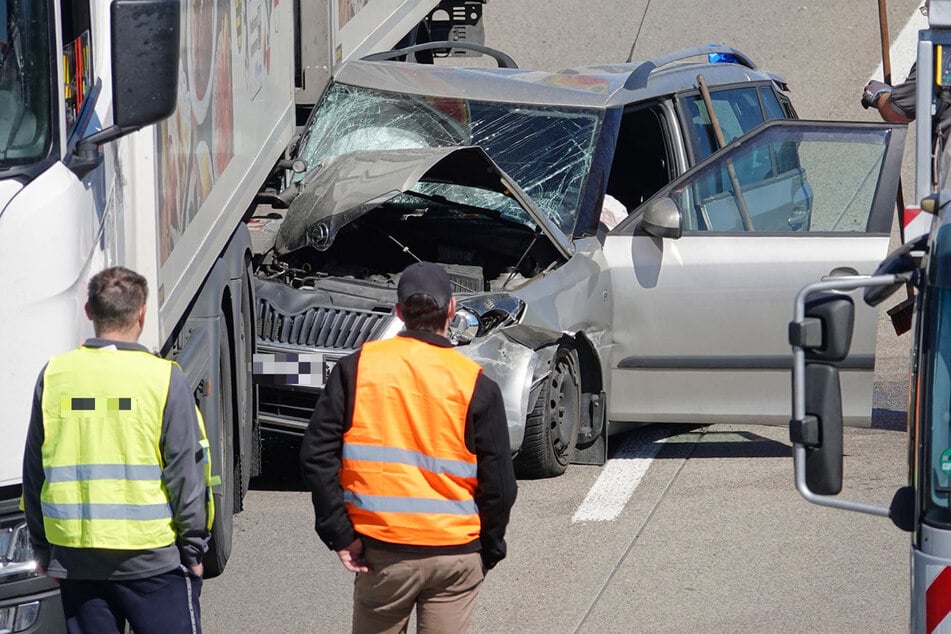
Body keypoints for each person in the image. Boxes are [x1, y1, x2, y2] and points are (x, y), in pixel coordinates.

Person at [300, 260, 517, 633]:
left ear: (398, 312)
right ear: (451, 309)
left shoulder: (357, 369)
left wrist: (341, 534)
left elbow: (316, 456)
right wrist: (489, 547)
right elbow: (499, 482)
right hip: (456, 555)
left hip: (383, 553)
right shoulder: (476, 384)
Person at [21, 266, 213, 634]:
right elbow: (185, 472)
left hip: (77, 561)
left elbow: (34, 471)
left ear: (89, 312)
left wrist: (42, 550)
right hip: (152, 561)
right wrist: (193, 549)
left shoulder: (55, 375)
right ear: (141, 313)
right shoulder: (161, 377)